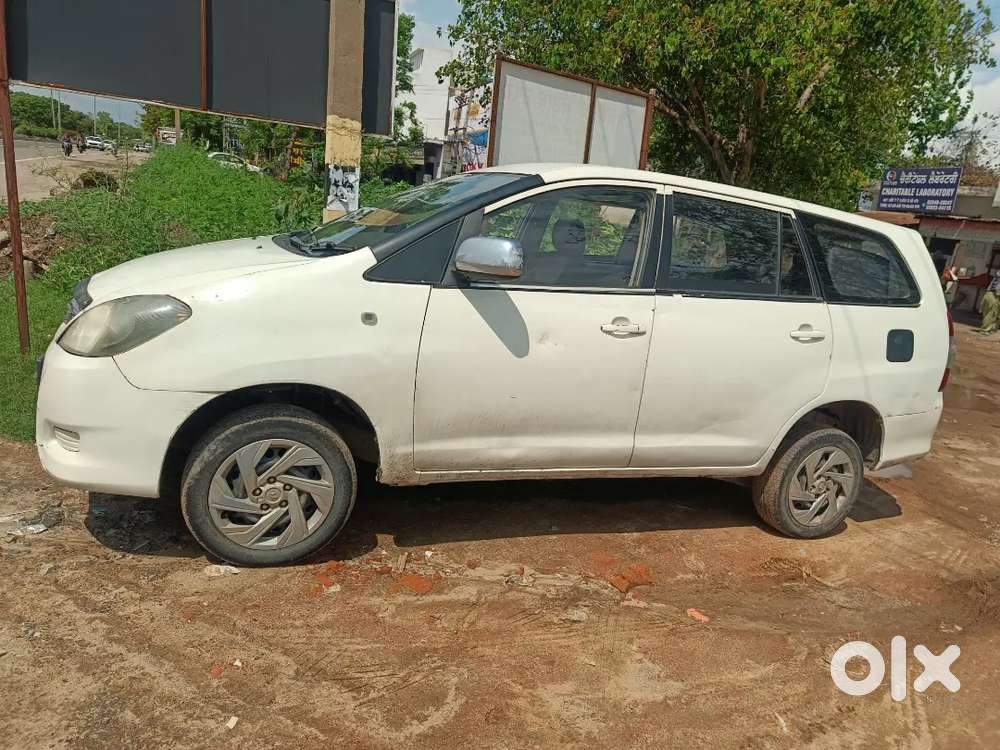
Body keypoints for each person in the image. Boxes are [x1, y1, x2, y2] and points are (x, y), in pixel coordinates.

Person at [979, 271, 1000, 336]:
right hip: (994, 294)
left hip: (994, 294)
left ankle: (992, 329)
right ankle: (986, 330)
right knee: (991, 313)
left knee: (995, 313)